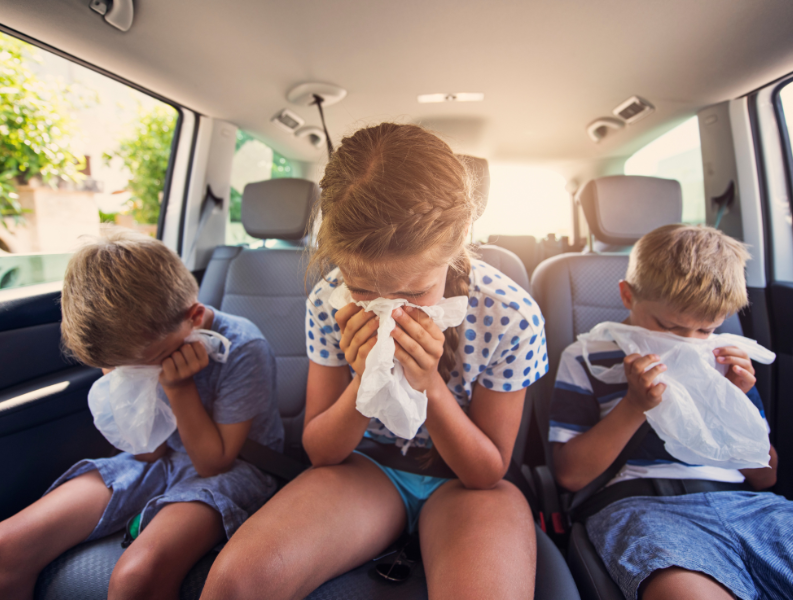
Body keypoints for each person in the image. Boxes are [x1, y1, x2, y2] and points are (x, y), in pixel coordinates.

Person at [201, 123, 546, 600]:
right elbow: (321, 451)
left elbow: (487, 472)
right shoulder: (328, 300)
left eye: (414, 291)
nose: (390, 310)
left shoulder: (511, 315)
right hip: (366, 468)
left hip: (465, 486)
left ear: (461, 237)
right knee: (234, 586)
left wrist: (430, 385)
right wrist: (365, 379)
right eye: (363, 290)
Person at [0, 228, 283, 600]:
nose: (133, 373)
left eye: (144, 364)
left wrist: (178, 389)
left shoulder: (243, 347)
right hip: (156, 460)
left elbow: (215, 464)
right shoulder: (125, 347)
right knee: (2, 548)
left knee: (136, 575)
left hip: (236, 469)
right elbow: (146, 451)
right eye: (120, 368)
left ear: (193, 317)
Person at [550, 224, 793, 600]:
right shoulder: (586, 357)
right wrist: (634, 405)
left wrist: (735, 401)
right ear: (627, 296)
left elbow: (765, 477)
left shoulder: (723, 359)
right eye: (670, 327)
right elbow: (570, 475)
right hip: (642, 506)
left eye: (706, 329)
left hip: (748, 505)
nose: (688, 342)